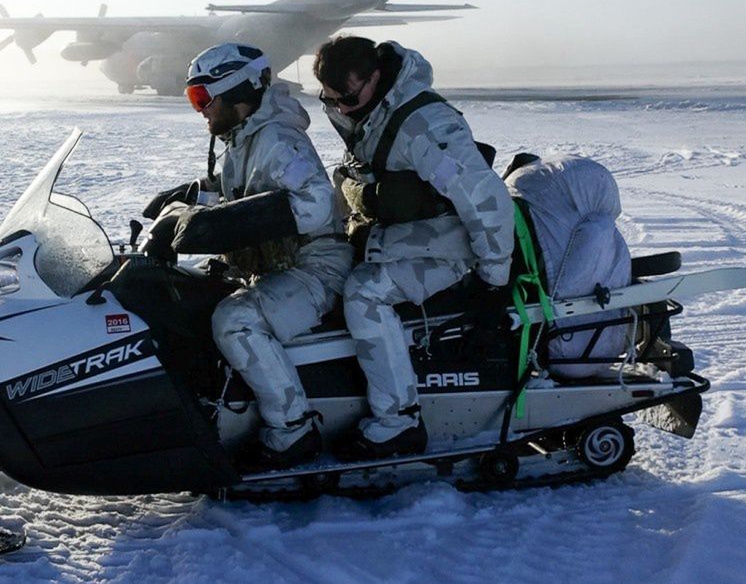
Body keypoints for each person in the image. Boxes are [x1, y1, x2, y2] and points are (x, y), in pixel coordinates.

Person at [144, 43, 352, 472]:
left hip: (316, 265)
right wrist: (192, 198)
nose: (198, 110)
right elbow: (240, 186)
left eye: (202, 98)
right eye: (193, 100)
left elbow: (313, 205)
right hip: (274, 262)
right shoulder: (244, 136)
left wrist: (223, 224)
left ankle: (293, 430)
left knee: (235, 321)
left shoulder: (278, 138)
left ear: (234, 91)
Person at [313, 36, 513, 460]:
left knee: (366, 293)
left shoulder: (425, 126)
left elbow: (485, 201)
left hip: (452, 248)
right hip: (404, 237)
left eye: (347, 98)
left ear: (376, 76)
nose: (341, 109)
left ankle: (399, 421)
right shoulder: (367, 110)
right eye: (330, 100)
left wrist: (494, 282)